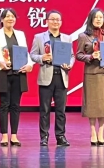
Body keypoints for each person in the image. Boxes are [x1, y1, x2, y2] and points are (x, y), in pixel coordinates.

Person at [0, 8, 34, 147]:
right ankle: (4, 135)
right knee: (4, 105)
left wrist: (30, 64)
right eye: (7, 16)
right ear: (2, 19)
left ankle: (14, 135)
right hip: (3, 73)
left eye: (12, 16)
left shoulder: (20, 34)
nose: (10, 19)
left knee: (15, 105)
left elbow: (25, 53)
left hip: (18, 72)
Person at [30, 10, 74, 147]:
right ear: (47, 21)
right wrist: (42, 58)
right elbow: (32, 55)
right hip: (46, 76)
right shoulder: (39, 37)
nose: (55, 22)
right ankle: (44, 136)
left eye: (58, 20)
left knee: (61, 110)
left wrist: (70, 64)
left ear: (61, 22)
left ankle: (60, 136)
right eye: (53, 19)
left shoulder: (67, 38)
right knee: (45, 110)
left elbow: (72, 56)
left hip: (61, 76)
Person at [76, 8, 104, 146]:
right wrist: (90, 56)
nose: (99, 19)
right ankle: (93, 132)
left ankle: (101, 132)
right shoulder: (84, 36)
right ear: (91, 19)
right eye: (96, 17)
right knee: (92, 105)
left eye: (101, 17)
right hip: (91, 73)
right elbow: (78, 55)